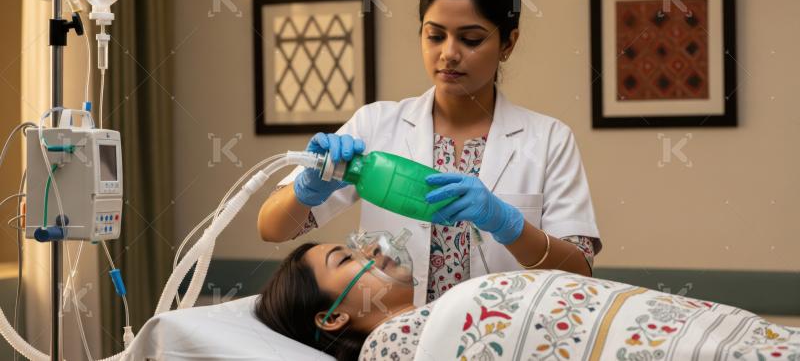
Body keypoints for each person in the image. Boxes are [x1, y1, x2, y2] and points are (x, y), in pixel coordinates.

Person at [257, 0, 601, 307]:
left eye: (471, 39)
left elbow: (578, 272)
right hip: (395, 339)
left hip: (503, 340)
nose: (449, 54)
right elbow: (272, 229)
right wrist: (305, 191)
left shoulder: (549, 140)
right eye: (435, 35)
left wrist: (509, 225)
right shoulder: (376, 125)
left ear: (508, 44)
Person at [255, 241, 800, 361]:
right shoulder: (391, 348)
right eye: (347, 259)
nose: (370, 246)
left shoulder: (439, 309)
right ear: (333, 315)